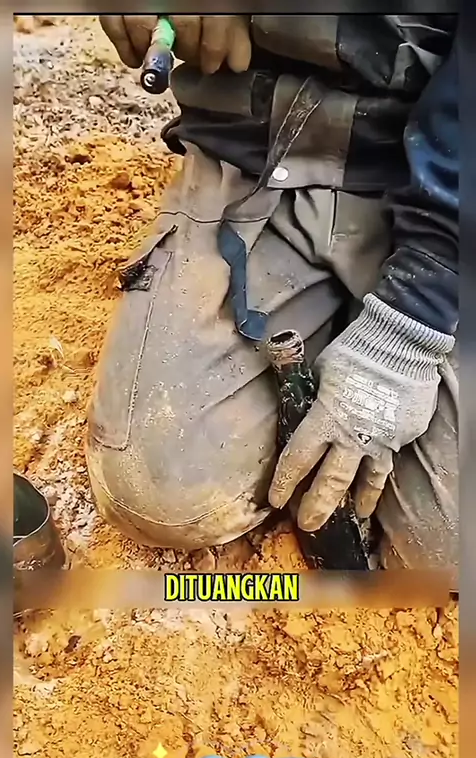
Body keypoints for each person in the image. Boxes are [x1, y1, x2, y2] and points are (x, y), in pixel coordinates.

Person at [88, 15, 458, 586]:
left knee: (444, 556)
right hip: (266, 152)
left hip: (454, 188)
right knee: (161, 486)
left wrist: (409, 327)